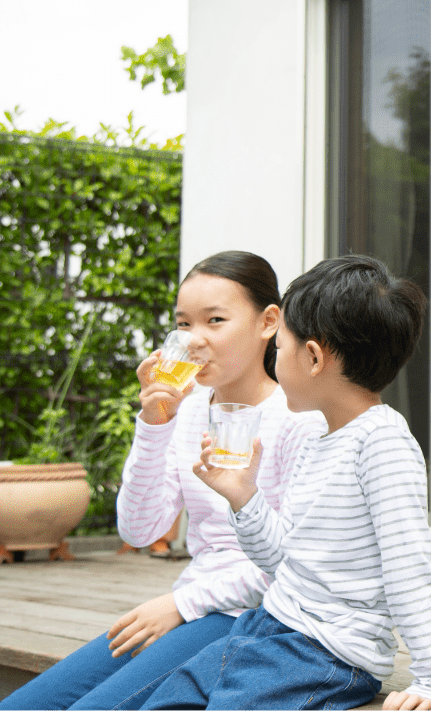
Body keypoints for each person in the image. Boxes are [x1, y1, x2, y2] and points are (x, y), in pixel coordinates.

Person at [0, 251, 325, 710]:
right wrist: (154, 425)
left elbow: (294, 561)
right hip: (190, 603)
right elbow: (140, 530)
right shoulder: (187, 412)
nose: (195, 340)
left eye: (215, 321)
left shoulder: (299, 422)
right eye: (184, 324)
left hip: (256, 615)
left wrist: (182, 604)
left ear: (268, 321)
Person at [138, 255, 431, 711]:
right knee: (164, 702)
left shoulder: (382, 442)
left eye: (280, 348)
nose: (275, 359)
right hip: (268, 627)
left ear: (312, 358)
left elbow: (411, 571)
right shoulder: (319, 438)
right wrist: (244, 497)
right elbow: (283, 560)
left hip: (325, 651)